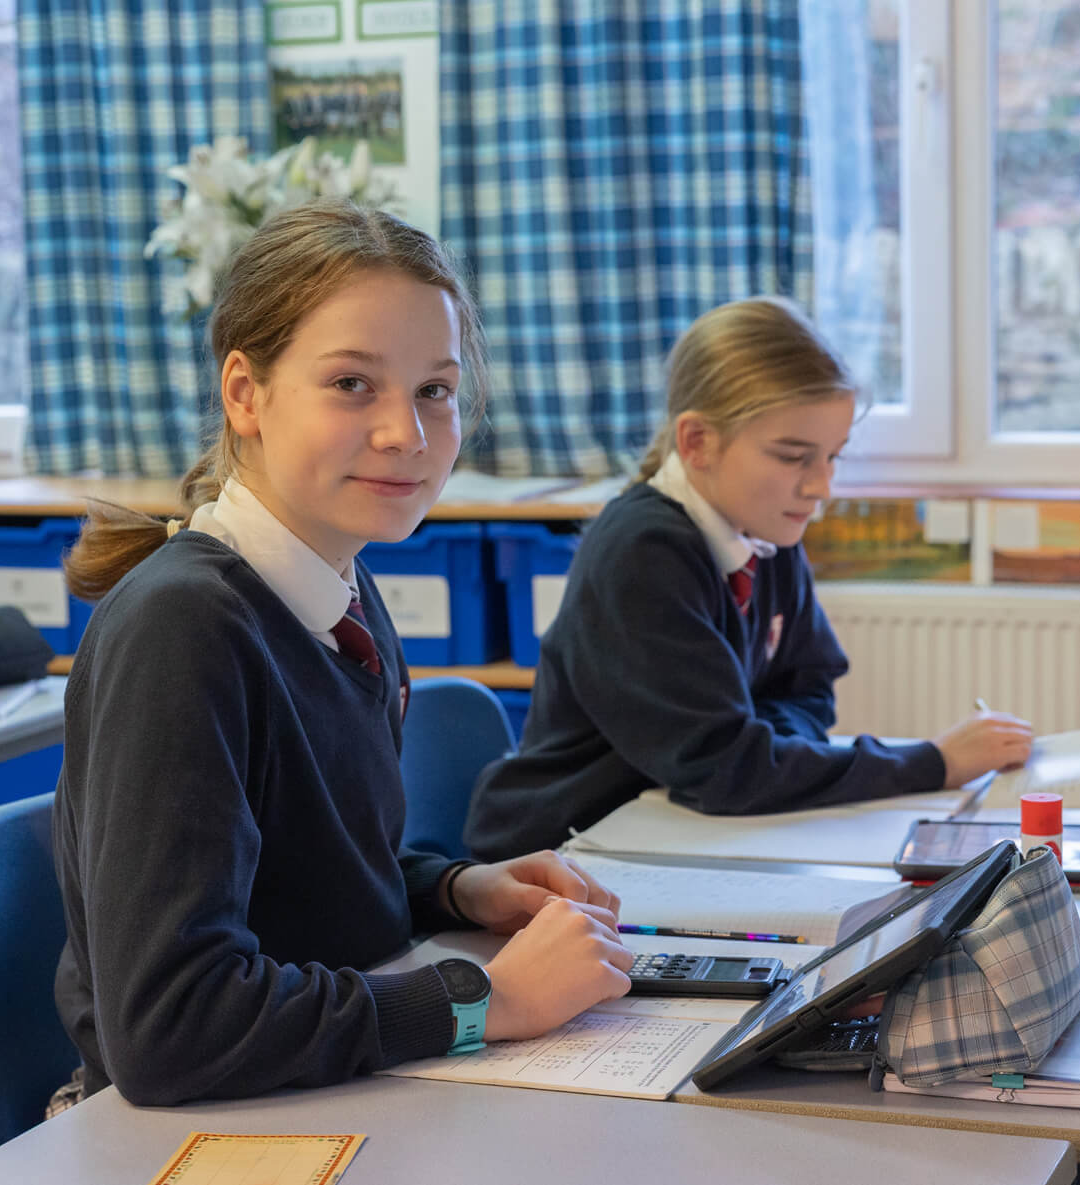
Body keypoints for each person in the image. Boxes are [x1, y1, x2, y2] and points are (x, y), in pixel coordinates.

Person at [51, 199, 633, 1108]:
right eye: (352, 383)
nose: (407, 433)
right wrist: (485, 999)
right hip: (178, 1134)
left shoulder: (339, 592)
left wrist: (456, 890)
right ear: (245, 393)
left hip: (321, 1084)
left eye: (433, 389)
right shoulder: (183, 631)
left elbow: (303, 873)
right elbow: (168, 1027)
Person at [463, 297, 1034, 862]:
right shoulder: (643, 552)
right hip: (560, 854)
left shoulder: (765, 528)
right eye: (793, 457)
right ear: (697, 442)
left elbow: (810, 682)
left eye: (833, 456)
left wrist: (763, 744)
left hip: (671, 831)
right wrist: (934, 762)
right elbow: (728, 771)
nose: (820, 487)